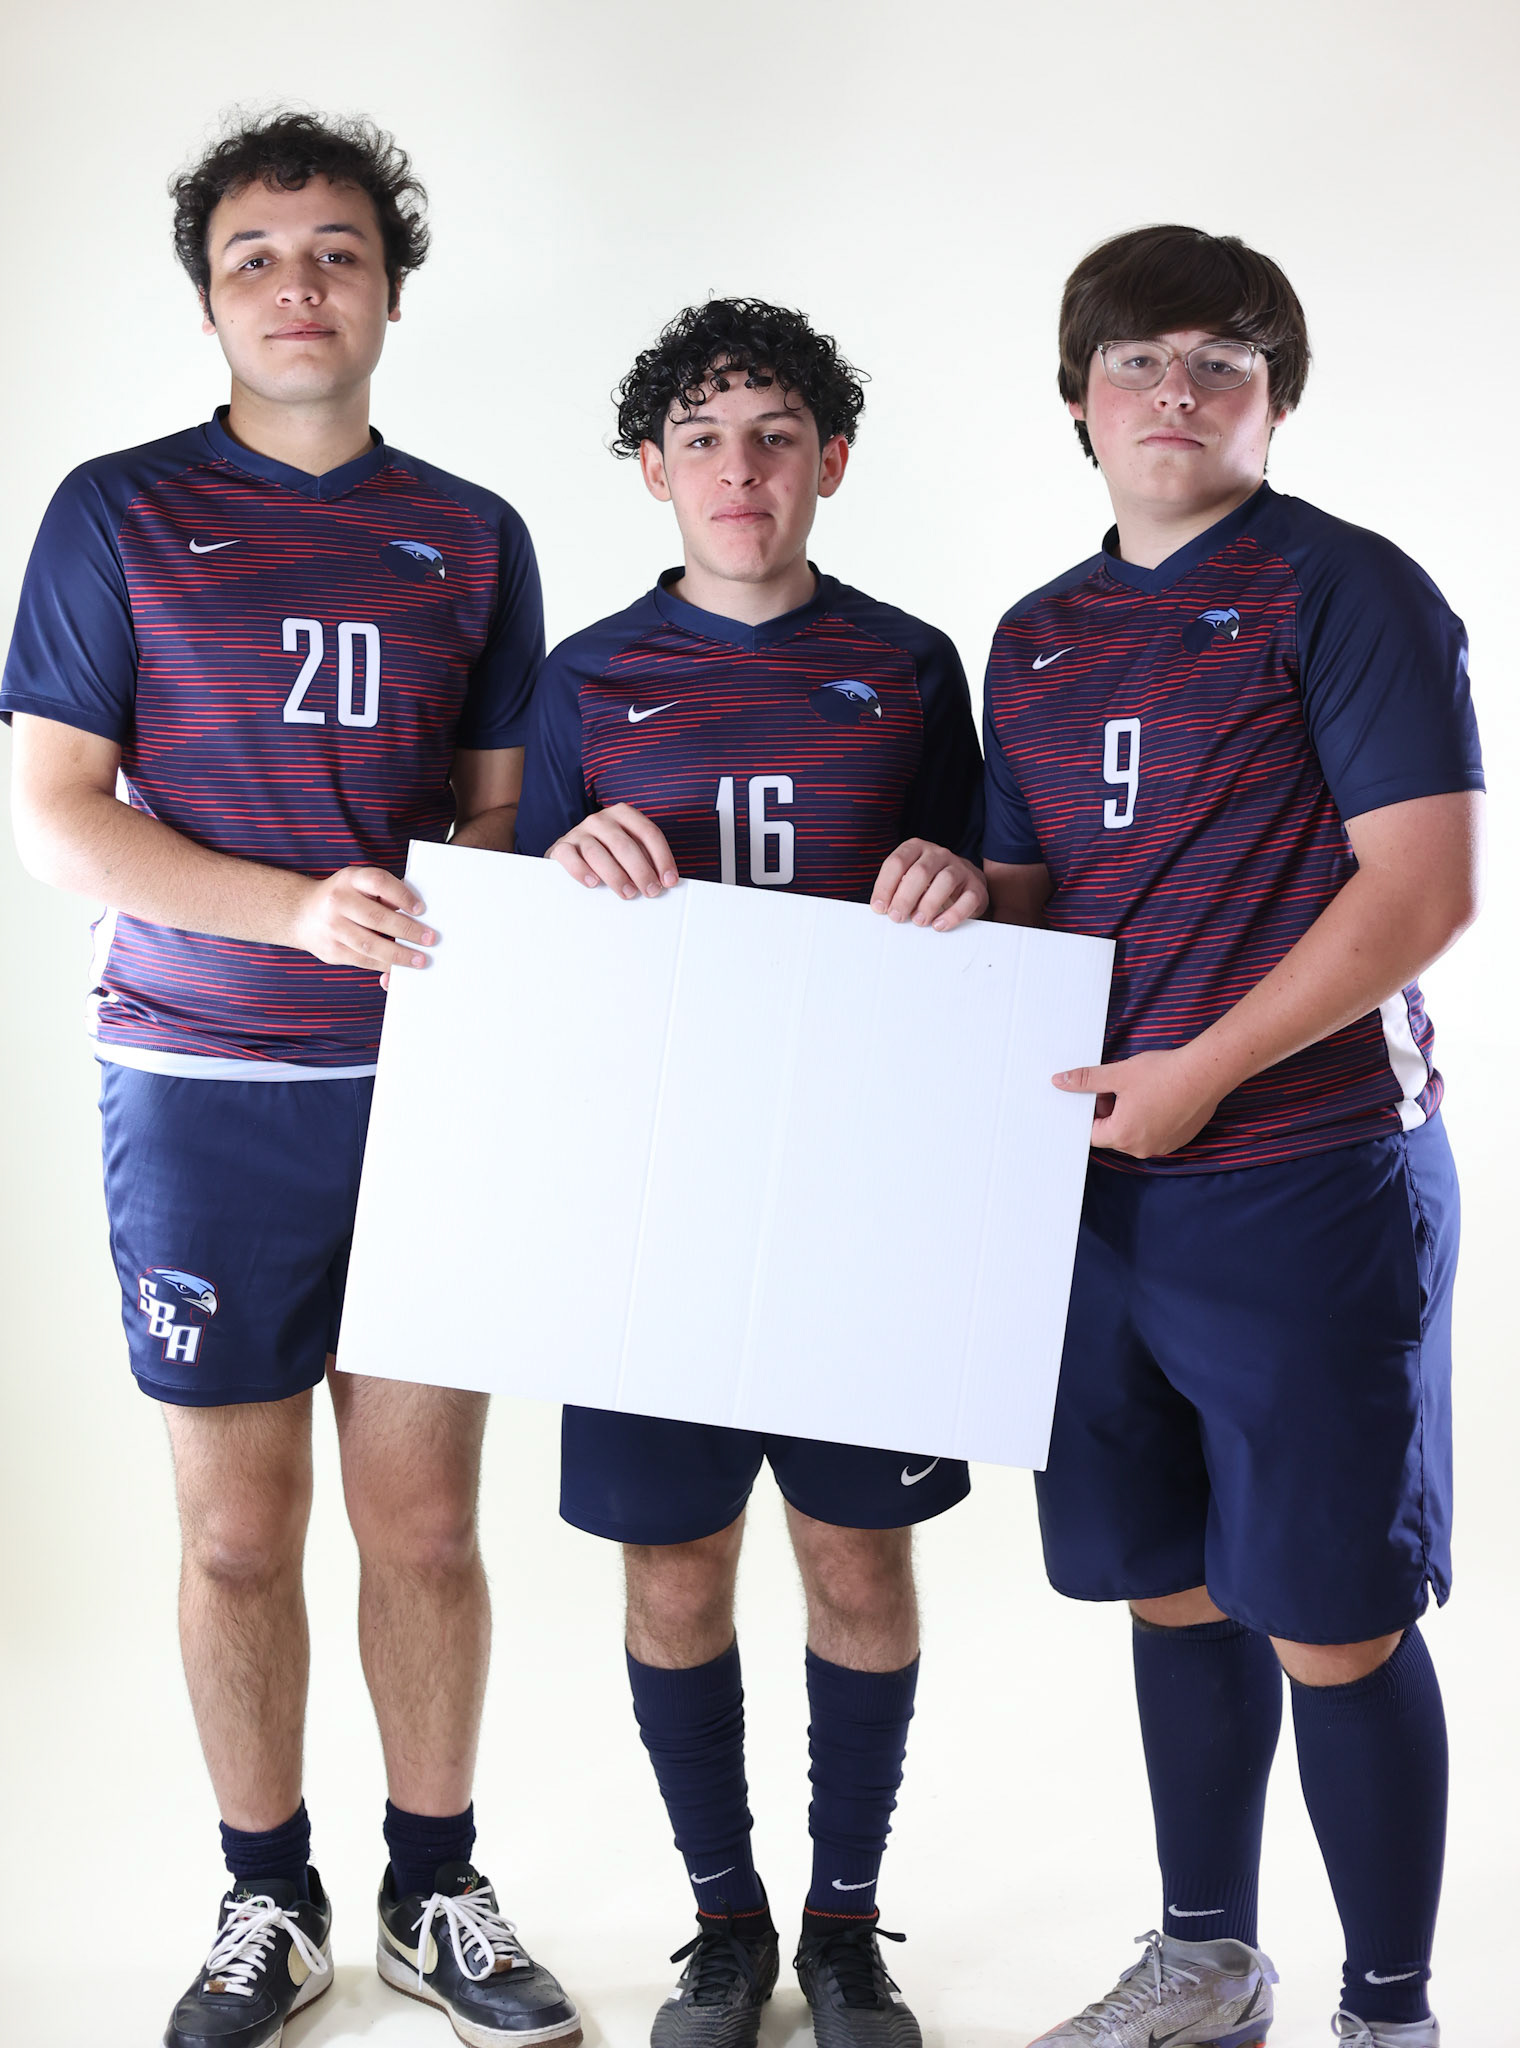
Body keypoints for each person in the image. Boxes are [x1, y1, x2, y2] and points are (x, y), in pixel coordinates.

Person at [3, 110, 579, 2048]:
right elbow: (60, 820)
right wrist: (287, 911)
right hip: (198, 1085)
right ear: (208, 297)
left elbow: (501, 835)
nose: (298, 285)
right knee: (236, 1533)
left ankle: (436, 1884)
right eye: (256, 255)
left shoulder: (473, 533)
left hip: (427, 1093)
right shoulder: (116, 512)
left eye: (334, 250)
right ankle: (268, 1895)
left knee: (423, 1528)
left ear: (390, 288)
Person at [981, 225, 1484, 2048]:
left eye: (1220, 363)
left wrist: (1203, 1064)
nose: (1175, 391)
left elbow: (1422, 893)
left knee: (1330, 1611)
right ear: (1078, 403)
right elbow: (1027, 914)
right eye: (1138, 361)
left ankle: (1393, 2011)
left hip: (1305, 1174)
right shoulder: (1032, 637)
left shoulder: (1343, 592)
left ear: (1273, 403)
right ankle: (1207, 1966)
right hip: (1099, 1193)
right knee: (1172, 1590)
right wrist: (935, 890)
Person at [515, 297, 985, 2048]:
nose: (740, 467)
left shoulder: (919, 666)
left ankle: (849, 1925)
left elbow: (1003, 908)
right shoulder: (585, 677)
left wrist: (962, 881)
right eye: (702, 437)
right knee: (674, 1569)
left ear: (831, 464)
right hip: (658, 1201)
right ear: (652, 470)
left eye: (775, 434)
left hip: (860, 1204)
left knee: (858, 1565)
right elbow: (519, 932)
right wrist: (561, 853)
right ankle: (726, 1924)